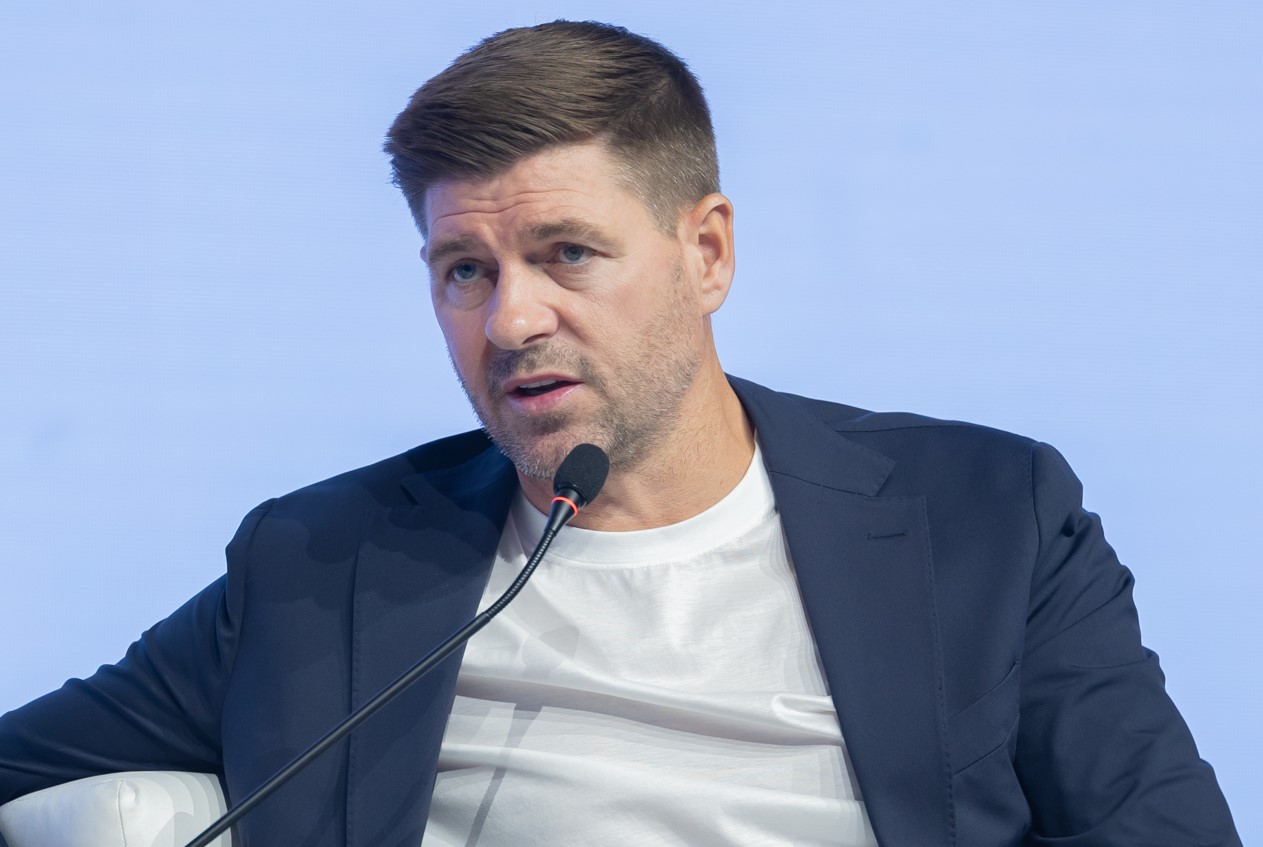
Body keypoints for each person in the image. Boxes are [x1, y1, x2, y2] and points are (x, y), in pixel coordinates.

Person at [0, 20, 1241, 847]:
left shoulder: (986, 517)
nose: (510, 319)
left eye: (567, 254)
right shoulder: (322, 563)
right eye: (464, 269)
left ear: (708, 253)